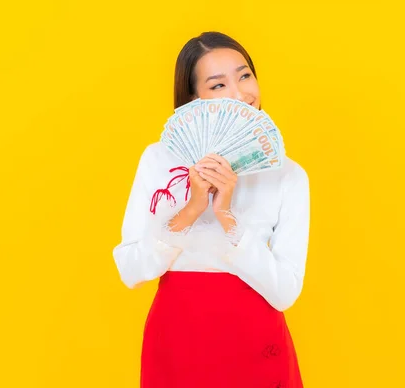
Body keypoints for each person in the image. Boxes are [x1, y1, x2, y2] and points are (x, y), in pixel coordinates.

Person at [112, 31, 310, 388]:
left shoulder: (288, 175)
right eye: (218, 85)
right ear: (193, 100)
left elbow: (285, 292)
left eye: (245, 75)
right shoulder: (159, 159)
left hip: (256, 343)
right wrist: (191, 210)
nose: (239, 93)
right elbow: (131, 271)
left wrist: (227, 218)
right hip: (177, 340)